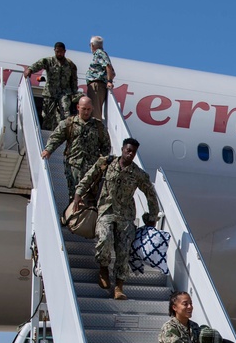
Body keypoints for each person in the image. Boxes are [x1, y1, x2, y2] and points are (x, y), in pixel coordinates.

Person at [75, 138, 159, 301]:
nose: (130, 154)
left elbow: (150, 194)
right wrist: (79, 193)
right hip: (106, 210)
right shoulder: (107, 163)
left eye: (133, 152)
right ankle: (104, 268)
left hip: (126, 215)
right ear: (122, 149)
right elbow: (90, 176)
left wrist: (152, 217)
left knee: (123, 251)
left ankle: (119, 287)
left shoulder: (138, 174)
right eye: (128, 150)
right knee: (104, 239)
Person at [41, 96, 110, 199]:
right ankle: (72, 214)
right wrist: (48, 150)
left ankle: (85, 214)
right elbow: (56, 137)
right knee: (73, 195)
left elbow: (106, 145)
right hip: (73, 166)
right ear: (78, 107)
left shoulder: (99, 126)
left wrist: (103, 162)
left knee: (89, 196)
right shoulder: (69, 123)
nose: (86, 112)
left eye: (88, 109)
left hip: (92, 168)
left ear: (92, 109)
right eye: (84, 109)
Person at [23, 42, 78, 130]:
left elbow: (74, 79)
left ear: (65, 51)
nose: (59, 54)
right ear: (54, 51)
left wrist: (74, 93)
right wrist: (30, 70)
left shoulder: (70, 65)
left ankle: (64, 133)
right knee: (47, 116)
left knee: (65, 113)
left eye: (61, 52)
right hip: (50, 92)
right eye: (57, 51)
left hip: (64, 93)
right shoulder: (49, 61)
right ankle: (47, 133)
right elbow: (38, 64)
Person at [86, 36, 115, 121]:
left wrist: (109, 81)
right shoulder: (100, 54)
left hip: (97, 85)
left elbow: (108, 66)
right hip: (98, 84)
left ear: (92, 45)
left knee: (95, 111)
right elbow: (113, 72)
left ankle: (96, 130)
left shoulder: (99, 53)